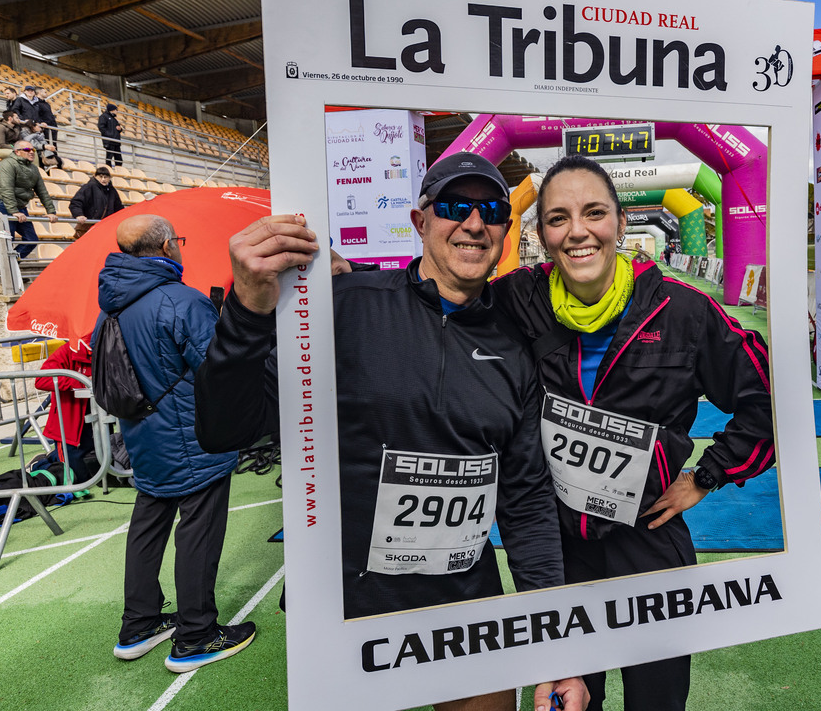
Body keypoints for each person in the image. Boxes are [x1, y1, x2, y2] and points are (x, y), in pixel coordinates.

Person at [194, 153, 587, 711]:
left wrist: (553, 643)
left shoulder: (514, 343)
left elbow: (524, 501)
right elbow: (223, 429)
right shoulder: (341, 307)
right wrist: (248, 311)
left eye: (492, 210)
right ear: (420, 222)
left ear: (506, 227)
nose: (474, 223)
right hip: (346, 611)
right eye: (455, 207)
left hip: (465, 609)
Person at [488, 154, 775, 711]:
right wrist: (346, 279)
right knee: (569, 699)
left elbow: (768, 399)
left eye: (594, 212)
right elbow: (438, 295)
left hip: (649, 539)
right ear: (541, 234)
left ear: (621, 224)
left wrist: (708, 475)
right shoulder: (518, 298)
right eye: (557, 218)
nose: (577, 231)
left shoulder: (683, 310)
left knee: (657, 701)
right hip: (560, 546)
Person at [94, 214, 254, 673]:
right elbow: (218, 368)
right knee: (198, 533)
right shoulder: (180, 301)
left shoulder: (111, 304)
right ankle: (196, 634)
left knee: (148, 524)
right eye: (178, 242)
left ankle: (139, 623)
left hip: (143, 435)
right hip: (193, 435)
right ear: (167, 246)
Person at [34, 344, 95, 483]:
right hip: (69, 425)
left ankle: (54, 456)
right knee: (76, 479)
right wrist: (82, 381)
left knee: (99, 472)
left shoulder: (109, 347)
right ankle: (44, 462)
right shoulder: (67, 351)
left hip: (98, 419)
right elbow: (41, 380)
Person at [0, 140, 57, 259]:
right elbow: (6, 188)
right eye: (27, 150)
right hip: (2, 203)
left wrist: (51, 211)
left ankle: (12, 267)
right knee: (9, 240)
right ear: (17, 152)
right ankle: (6, 272)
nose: (31, 152)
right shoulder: (7, 164)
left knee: (31, 239)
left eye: (33, 150)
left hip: (19, 206)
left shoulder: (34, 169)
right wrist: (13, 211)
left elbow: (42, 191)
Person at [69, 166, 124, 239]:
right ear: (95, 176)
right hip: (90, 227)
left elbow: (119, 208)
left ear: (109, 178)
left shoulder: (112, 191)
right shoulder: (89, 187)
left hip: (105, 228)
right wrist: (79, 214)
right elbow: (76, 201)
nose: (103, 179)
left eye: (105, 177)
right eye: (100, 177)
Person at [98, 103, 124, 167]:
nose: (117, 111)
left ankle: (119, 171)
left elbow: (118, 128)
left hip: (116, 141)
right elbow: (101, 127)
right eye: (116, 110)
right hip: (109, 141)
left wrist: (120, 129)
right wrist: (110, 135)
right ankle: (109, 170)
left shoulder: (114, 119)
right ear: (112, 110)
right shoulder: (103, 116)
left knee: (119, 159)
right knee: (109, 157)